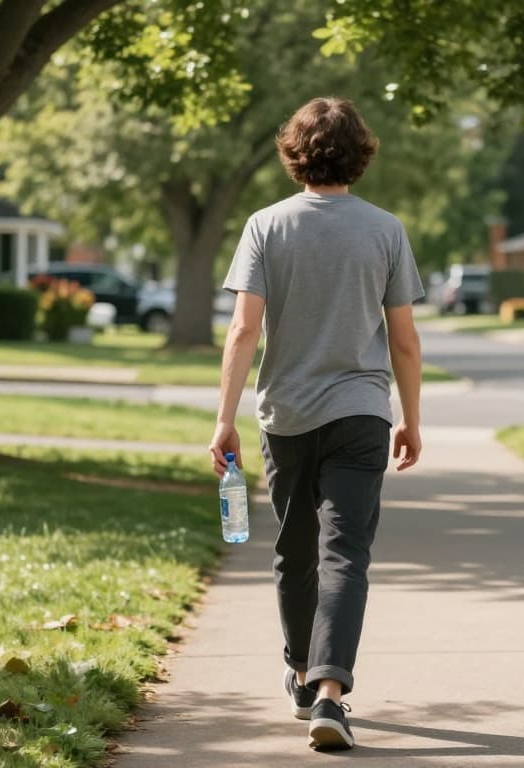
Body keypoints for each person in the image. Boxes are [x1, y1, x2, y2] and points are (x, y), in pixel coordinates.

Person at [208, 96, 424, 752]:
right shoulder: (385, 230)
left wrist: (224, 421)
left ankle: (304, 675)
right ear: (360, 153)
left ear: (295, 153)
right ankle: (329, 691)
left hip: (288, 417)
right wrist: (411, 420)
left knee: (294, 552)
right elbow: (405, 341)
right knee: (346, 553)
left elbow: (245, 329)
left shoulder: (265, 227)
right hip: (361, 412)